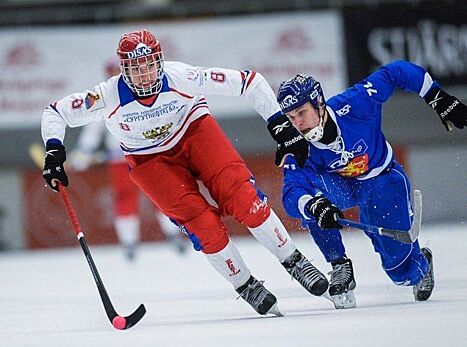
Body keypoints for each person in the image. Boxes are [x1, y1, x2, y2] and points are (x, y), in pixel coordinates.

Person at [41, 29, 329, 316]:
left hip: (194, 132)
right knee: (202, 224)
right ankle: (245, 284)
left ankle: (293, 260)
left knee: (242, 197)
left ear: (160, 62)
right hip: (148, 158)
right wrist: (54, 150)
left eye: (150, 65)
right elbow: (55, 112)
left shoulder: (182, 77)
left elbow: (250, 82)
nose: (145, 75)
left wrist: (279, 124)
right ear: (123, 70)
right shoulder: (106, 95)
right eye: (135, 69)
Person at [274, 60, 467, 309]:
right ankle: (339, 264)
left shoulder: (356, 103)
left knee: (401, 273)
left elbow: (396, 71)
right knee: (311, 201)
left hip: (382, 183)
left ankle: (420, 264)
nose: (297, 124)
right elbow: (291, 193)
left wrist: (436, 96)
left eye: (302, 113)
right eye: (290, 118)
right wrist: (314, 207)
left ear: (319, 103)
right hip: (342, 187)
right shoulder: (297, 148)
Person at [69, 60, 188, 260]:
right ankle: (129, 241)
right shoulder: (104, 96)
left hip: (146, 153)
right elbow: (92, 129)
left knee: (160, 194)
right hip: (119, 159)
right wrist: (83, 153)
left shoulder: (143, 90)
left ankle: (173, 233)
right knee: (125, 197)